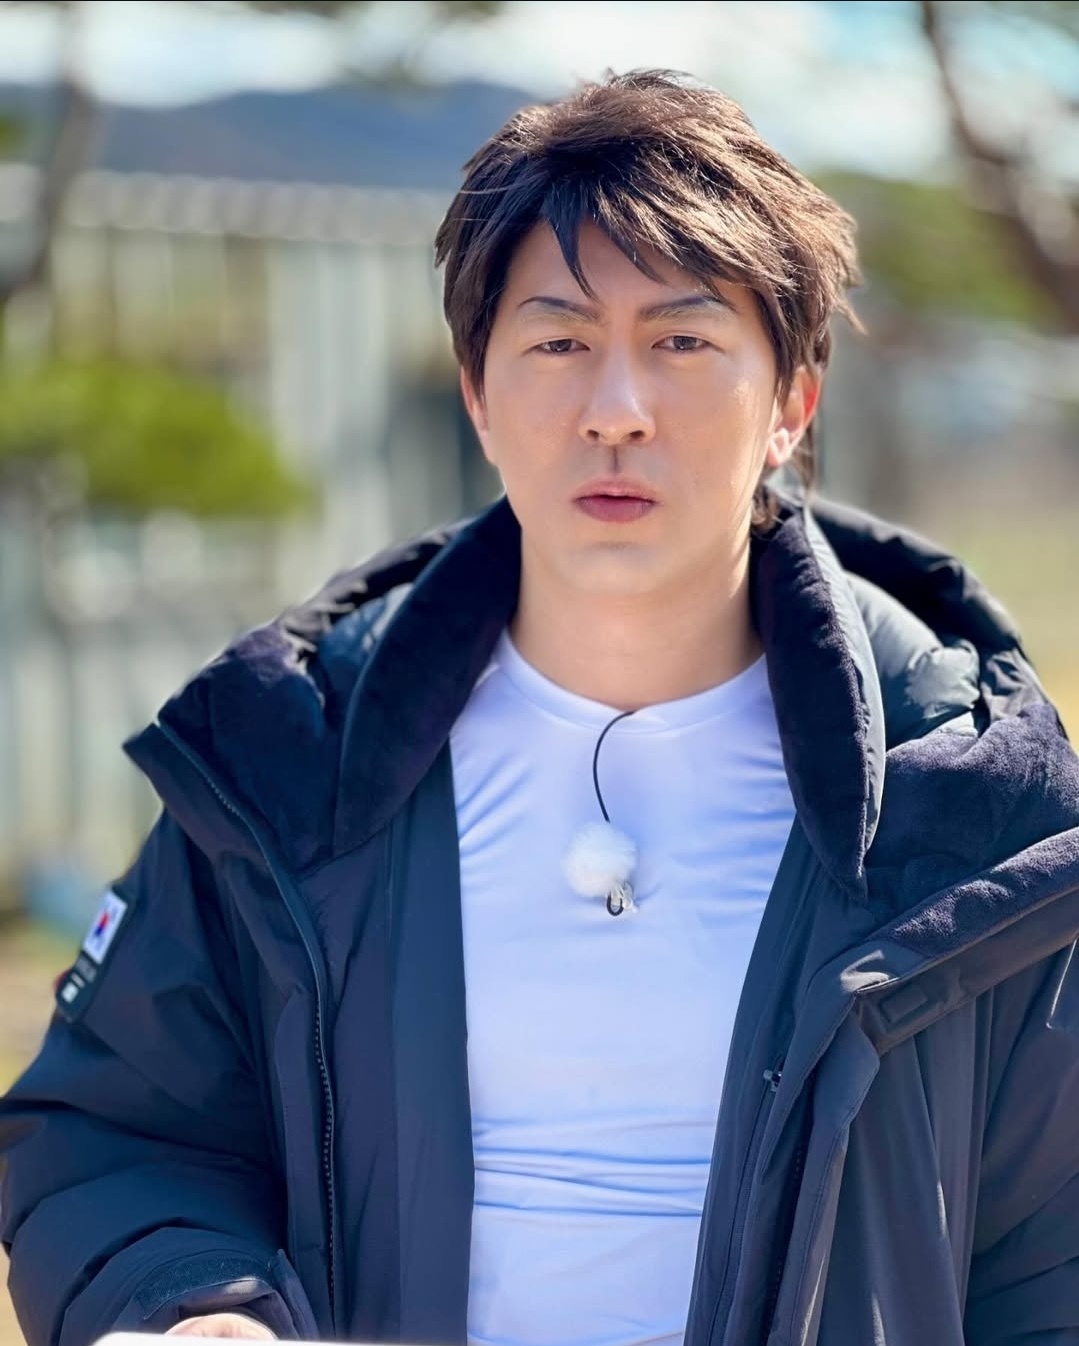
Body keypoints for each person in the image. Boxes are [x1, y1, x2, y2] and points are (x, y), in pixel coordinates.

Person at [3, 68, 1079, 1346]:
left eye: (681, 342)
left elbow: (1050, 1250)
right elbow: (118, 1131)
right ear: (478, 392)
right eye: (558, 342)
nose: (614, 411)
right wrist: (188, 1306)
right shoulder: (289, 765)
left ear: (792, 401)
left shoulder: (970, 808)